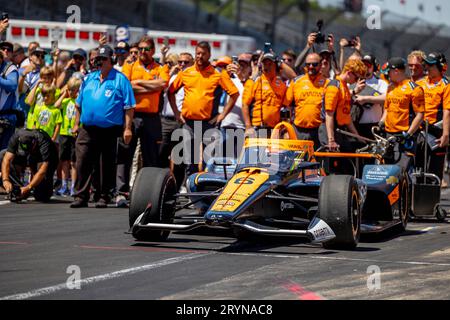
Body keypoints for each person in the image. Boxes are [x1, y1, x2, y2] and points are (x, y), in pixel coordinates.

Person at [70, 45, 135, 208]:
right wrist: (76, 124)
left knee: (105, 163)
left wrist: (127, 128)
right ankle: (81, 196)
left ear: (111, 60)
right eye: (98, 59)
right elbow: (79, 104)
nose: (100, 62)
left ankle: (104, 195)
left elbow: (129, 107)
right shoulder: (89, 78)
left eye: (103, 59)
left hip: (110, 129)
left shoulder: (121, 79)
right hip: (87, 127)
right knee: (82, 160)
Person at [168, 41, 239, 176]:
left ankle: (207, 191)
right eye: (198, 53)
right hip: (188, 123)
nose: (200, 56)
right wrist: (177, 113)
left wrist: (222, 115)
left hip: (208, 123)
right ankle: (189, 192)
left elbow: (234, 94)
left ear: (209, 55)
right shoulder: (186, 73)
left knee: (209, 161)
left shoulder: (218, 74)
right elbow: (170, 92)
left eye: (203, 54)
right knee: (190, 161)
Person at [121, 35, 169, 168]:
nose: (142, 51)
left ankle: (149, 187)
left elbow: (163, 84)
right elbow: (126, 87)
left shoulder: (160, 68)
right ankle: (122, 188)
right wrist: (152, 88)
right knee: (125, 155)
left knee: (151, 157)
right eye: (140, 49)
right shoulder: (129, 66)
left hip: (152, 118)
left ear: (153, 50)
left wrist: (138, 82)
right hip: (131, 116)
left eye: (146, 49)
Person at [379, 57, 425, 168]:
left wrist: (408, 134)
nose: (387, 76)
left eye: (388, 72)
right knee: (386, 170)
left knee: (401, 170)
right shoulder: (390, 87)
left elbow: (420, 115)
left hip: (404, 136)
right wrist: (382, 122)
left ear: (396, 71)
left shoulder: (414, 89)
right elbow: (387, 108)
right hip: (388, 136)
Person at [415, 52, 450, 182]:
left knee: (434, 171)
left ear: (441, 67)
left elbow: (447, 111)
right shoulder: (420, 83)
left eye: (431, 65)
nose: (427, 67)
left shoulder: (446, 85)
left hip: (436, 132)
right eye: (426, 64)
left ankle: (432, 200)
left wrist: (445, 135)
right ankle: (416, 198)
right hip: (419, 131)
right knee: (418, 169)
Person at [1, 128, 58, 202]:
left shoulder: (43, 141)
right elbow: (6, 160)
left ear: (34, 143)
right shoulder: (16, 136)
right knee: (2, 155)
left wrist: (29, 187)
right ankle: (17, 189)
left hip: (45, 159)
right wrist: (5, 180)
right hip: (29, 156)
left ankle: (33, 190)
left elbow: (43, 170)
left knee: (42, 196)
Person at [321, 58, 367, 152]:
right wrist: (331, 140)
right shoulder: (334, 86)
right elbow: (329, 115)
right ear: (349, 72)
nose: (356, 81)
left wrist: (358, 137)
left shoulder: (345, 87)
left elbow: (346, 117)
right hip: (329, 131)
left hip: (340, 131)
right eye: (356, 78)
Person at [284, 53, 329, 148]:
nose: (311, 67)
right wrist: (287, 129)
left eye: (314, 64)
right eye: (308, 64)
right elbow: (287, 107)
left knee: (317, 161)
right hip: (298, 130)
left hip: (319, 131)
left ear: (321, 65)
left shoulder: (327, 83)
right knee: (297, 160)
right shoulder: (296, 82)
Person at [242, 52, 288, 137]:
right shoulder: (254, 81)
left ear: (276, 66)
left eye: (270, 64)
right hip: (257, 128)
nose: (266, 66)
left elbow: (286, 107)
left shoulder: (282, 85)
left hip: (275, 129)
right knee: (255, 150)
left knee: (273, 151)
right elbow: (245, 104)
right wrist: (248, 126)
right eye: (264, 64)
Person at [220, 53, 253, 158]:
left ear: (250, 68)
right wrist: (226, 72)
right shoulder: (229, 79)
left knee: (239, 161)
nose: (241, 67)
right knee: (225, 162)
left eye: (245, 65)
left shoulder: (252, 82)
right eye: (239, 64)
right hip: (227, 125)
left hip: (243, 128)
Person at [54, 77, 82, 196]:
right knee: (65, 160)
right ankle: (64, 185)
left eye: (73, 90)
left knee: (73, 162)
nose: (71, 92)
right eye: (69, 90)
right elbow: (56, 105)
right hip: (64, 134)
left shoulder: (79, 102)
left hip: (74, 134)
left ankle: (73, 186)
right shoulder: (65, 101)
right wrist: (64, 93)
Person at [352, 54, 388, 139]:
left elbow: (387, 98)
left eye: (368, 65)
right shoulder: (353, 81)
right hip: (355, 125)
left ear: (374, 67)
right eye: (363, 64)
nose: (365, 67)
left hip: (373, 125)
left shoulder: (381, 83)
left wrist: (366, 99)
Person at [0, 48, 19, 150]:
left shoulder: (10, 68)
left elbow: (12, 85)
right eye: (3, 48)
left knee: (3, 154)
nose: (5, 51)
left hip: (6, 119)